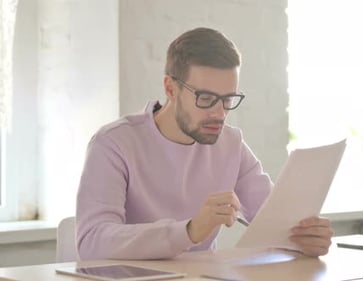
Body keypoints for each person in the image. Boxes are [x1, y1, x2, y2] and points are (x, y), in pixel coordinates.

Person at [76, 27, 334, 260]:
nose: (219, 113)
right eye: (206, 97)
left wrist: (305, 238)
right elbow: (92, 241)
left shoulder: (231, 144)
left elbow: (275, 222)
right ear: (170, 88)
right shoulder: (114, 143)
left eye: (227, 99)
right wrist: (189, 230)